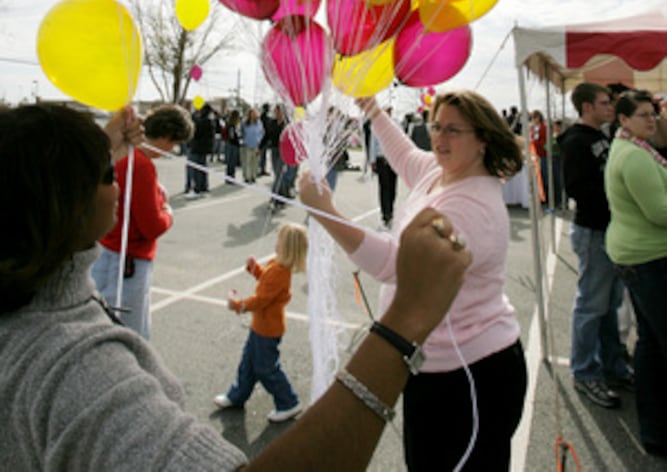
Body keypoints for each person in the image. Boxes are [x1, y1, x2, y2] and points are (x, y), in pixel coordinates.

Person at [0, 102, 470, 472]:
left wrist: (96, 152)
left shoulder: (30, 288)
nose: (115, 176)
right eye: (104, 174)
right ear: (66, 204)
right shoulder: (75, 371)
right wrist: (404, 321)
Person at [300, 90, 527, 472]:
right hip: (428, 364)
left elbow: (400, 267)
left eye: (453, 130)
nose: (440, 138)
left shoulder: (475, 206)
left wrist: (326, 213)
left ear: (483, 138)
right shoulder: (441, 172)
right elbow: (403, 154)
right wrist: (370, 106)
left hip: (472, 373)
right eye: (436, 126)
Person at [559, 82, 633, 408]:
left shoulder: (603, 136)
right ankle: (585, 371)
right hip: (593, 232)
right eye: (604, 103)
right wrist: (617, 198)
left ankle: (613, 364)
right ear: (587, 107)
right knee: (591, 304)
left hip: (610, 231)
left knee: (610, 303)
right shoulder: (576, 141)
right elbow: (577, 188)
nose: (610, 108)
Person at [92, 103, 193, 338]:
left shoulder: (124, 155)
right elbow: (152, 226)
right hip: (128, 261)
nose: (172, 149)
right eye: (174, 143)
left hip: (107, 252)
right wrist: (168, 213)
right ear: (166, 137)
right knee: (131, 335)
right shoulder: (140, 165)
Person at [605, 90, 667, 457]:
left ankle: (655, 430)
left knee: (651, 345)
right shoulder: (635, 156)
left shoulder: (634, 148)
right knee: (657, 344)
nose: (652, 119)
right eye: (643, 114)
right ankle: (656, 428)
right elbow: (659, 212)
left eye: (654, 114)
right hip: (649, 258)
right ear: (623, 119)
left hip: (638, 254)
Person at [214, 223, 308, 422]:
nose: (276, 243)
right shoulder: (277, 266)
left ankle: (289, 402)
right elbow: (266, 281)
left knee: (266, 368)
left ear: (287, 248)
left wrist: (239, 305)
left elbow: (262, 299)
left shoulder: (280, 272)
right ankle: (236, 396)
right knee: (248, 362)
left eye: (279, 241)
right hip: (262, 326)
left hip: (267, 329)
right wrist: (255, 269)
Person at [369, 107, 398, 228]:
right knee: (384, 187)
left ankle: (390, 210)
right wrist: (372, 160)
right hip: (382, 160)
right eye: (386, 111)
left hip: (394, 160)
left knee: (392, 188)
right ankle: (386, 214)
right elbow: (372, 144)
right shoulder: (376, 125)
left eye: (389, 111)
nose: (388, 114)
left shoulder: (396, 124)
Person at [186, 102, 218, 198]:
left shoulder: (202, 121)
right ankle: (204, 188)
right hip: (204, 148)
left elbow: (195, 134)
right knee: (203, 168)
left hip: (197, 148)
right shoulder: (211, 121)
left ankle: (197, 189)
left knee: (197, 169)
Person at [241, 106, 264, 183]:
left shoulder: (259, 123)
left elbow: (262, 133)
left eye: (255, 113)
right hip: (247, 144)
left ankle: (253, 176)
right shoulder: (244, 123)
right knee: (247, 162)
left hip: (256, 145)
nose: (253, 115)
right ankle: (247, 177)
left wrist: (260, 142)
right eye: (252, 113)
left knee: (255, 162)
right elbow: (241, 132)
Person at [224, 107, 242, 183]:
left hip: (230, 144)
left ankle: (229, 177)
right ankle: (230, 177)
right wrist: (238, 139)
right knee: (231, 162)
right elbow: (232, 136)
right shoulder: (232, 125)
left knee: (230, 162)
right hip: (233, 144)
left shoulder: (229, 123)